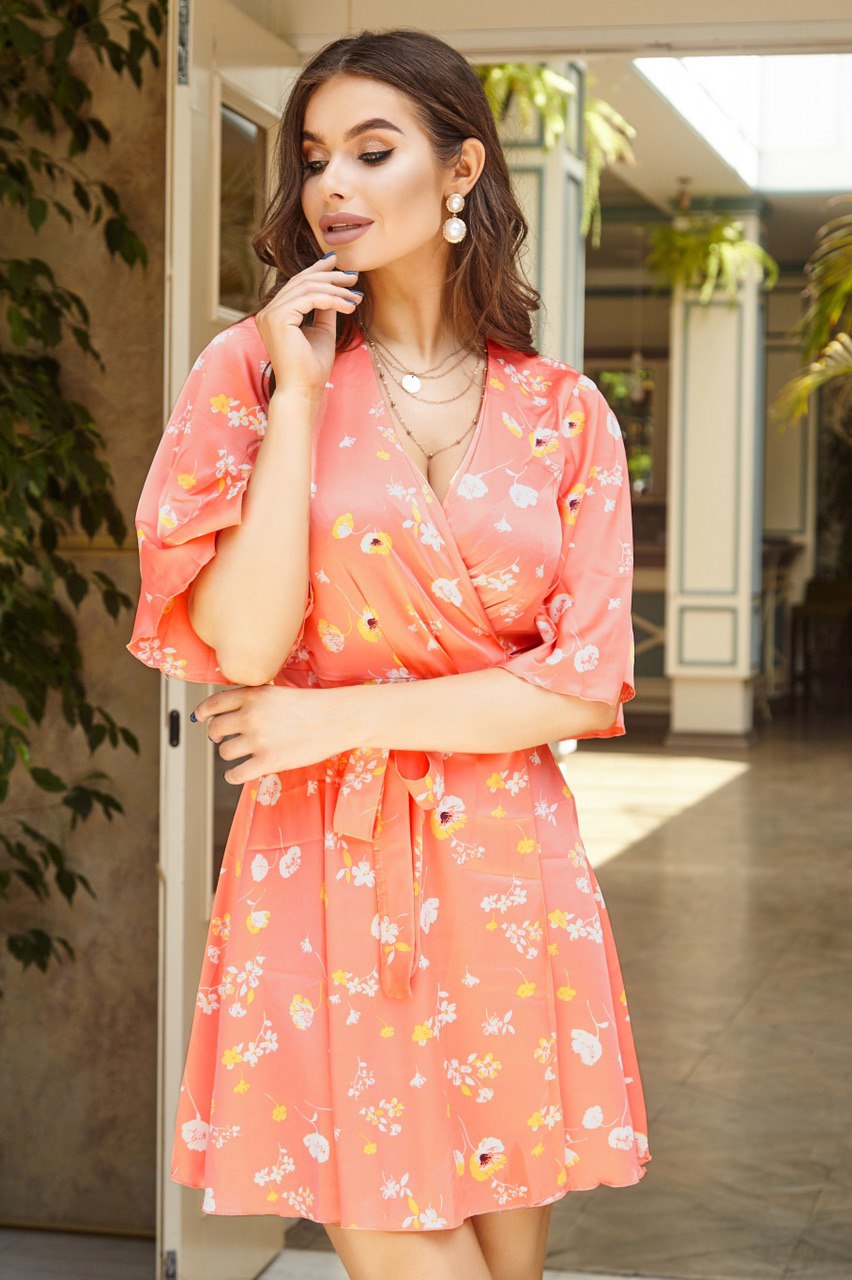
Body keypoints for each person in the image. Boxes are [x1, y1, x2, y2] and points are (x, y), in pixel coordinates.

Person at [126, 26, 651, 1280]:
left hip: (509, 871)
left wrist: (336, 721)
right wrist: (301, 402)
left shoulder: (562, 410)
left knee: (507, 1265)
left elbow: (581, 682)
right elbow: (247, 642)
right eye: (314, 160)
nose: (333, 187)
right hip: (325, 873)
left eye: (373, 150)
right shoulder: (251, 373)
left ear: (461, 169)